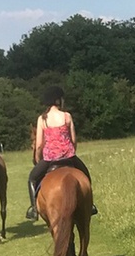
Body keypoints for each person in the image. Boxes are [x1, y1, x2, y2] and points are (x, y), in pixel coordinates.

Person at [25, 86, 96, 220]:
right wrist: (69, 151)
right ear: (58, 100)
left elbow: (39, 145)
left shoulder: (42, 119)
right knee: (85, 174)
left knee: (32, 179)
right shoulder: (66, 116)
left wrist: (38, 158)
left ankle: (34, 209)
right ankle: (90, 204)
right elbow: (74, 140)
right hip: (69, 157)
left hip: (50, 159)